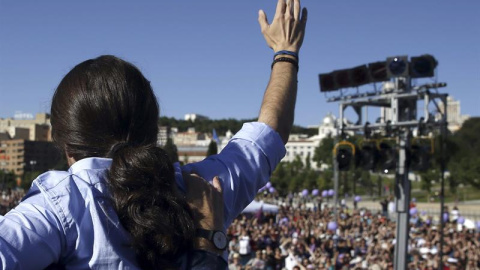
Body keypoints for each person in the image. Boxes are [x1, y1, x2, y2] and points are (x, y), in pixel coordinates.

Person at [0, 0, 307, 268]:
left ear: (65, 142)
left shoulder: (58, 207)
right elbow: (270, 132)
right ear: (151, 130)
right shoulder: (202, 191)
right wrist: (285, 52)